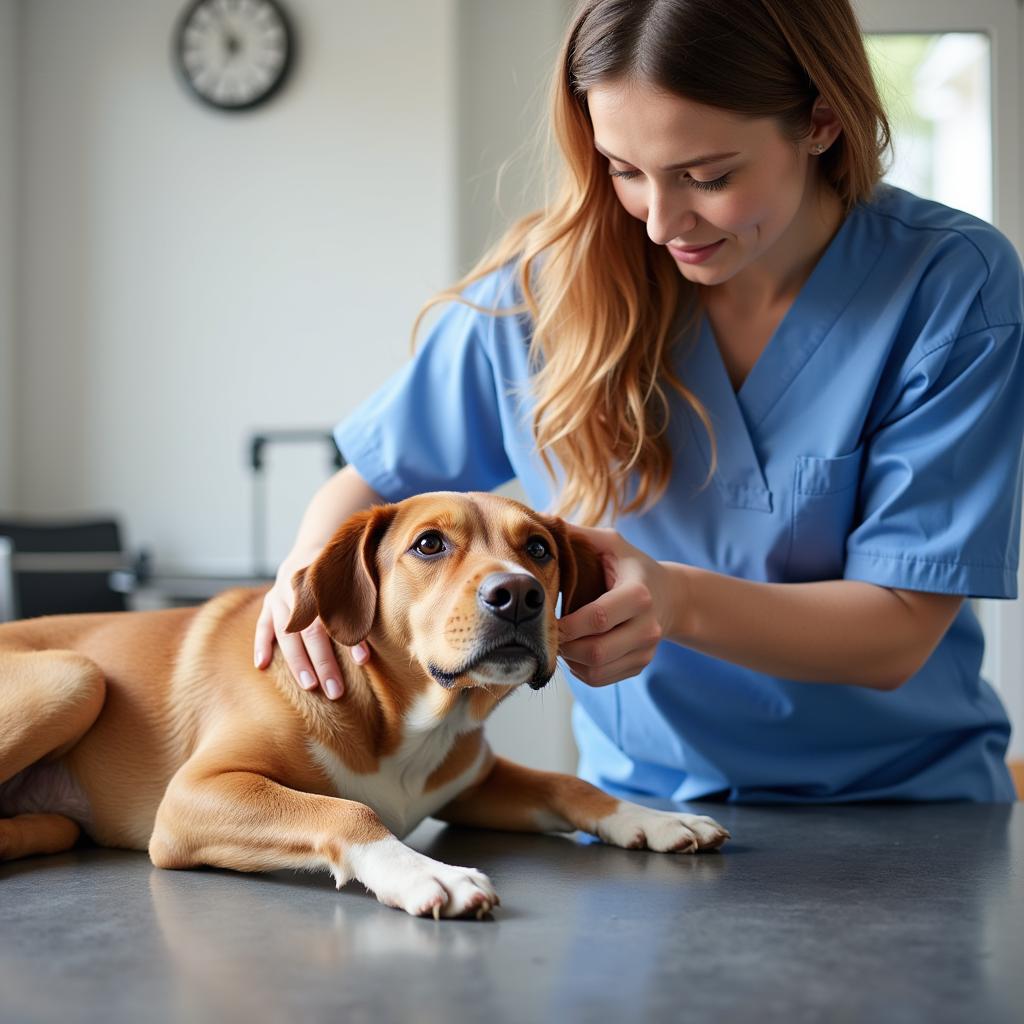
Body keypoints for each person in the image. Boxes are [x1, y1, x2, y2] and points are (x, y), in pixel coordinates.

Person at [254, 0, 1024, 802]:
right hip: (640, 810)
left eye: (707, 177)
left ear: (822, 120)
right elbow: (371, 480)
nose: (660, 222)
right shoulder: (541, 297)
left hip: (904, 814)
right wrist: (305, 579)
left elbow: (899, 629)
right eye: (624, 170)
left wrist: (678, 599)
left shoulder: (951, 286)